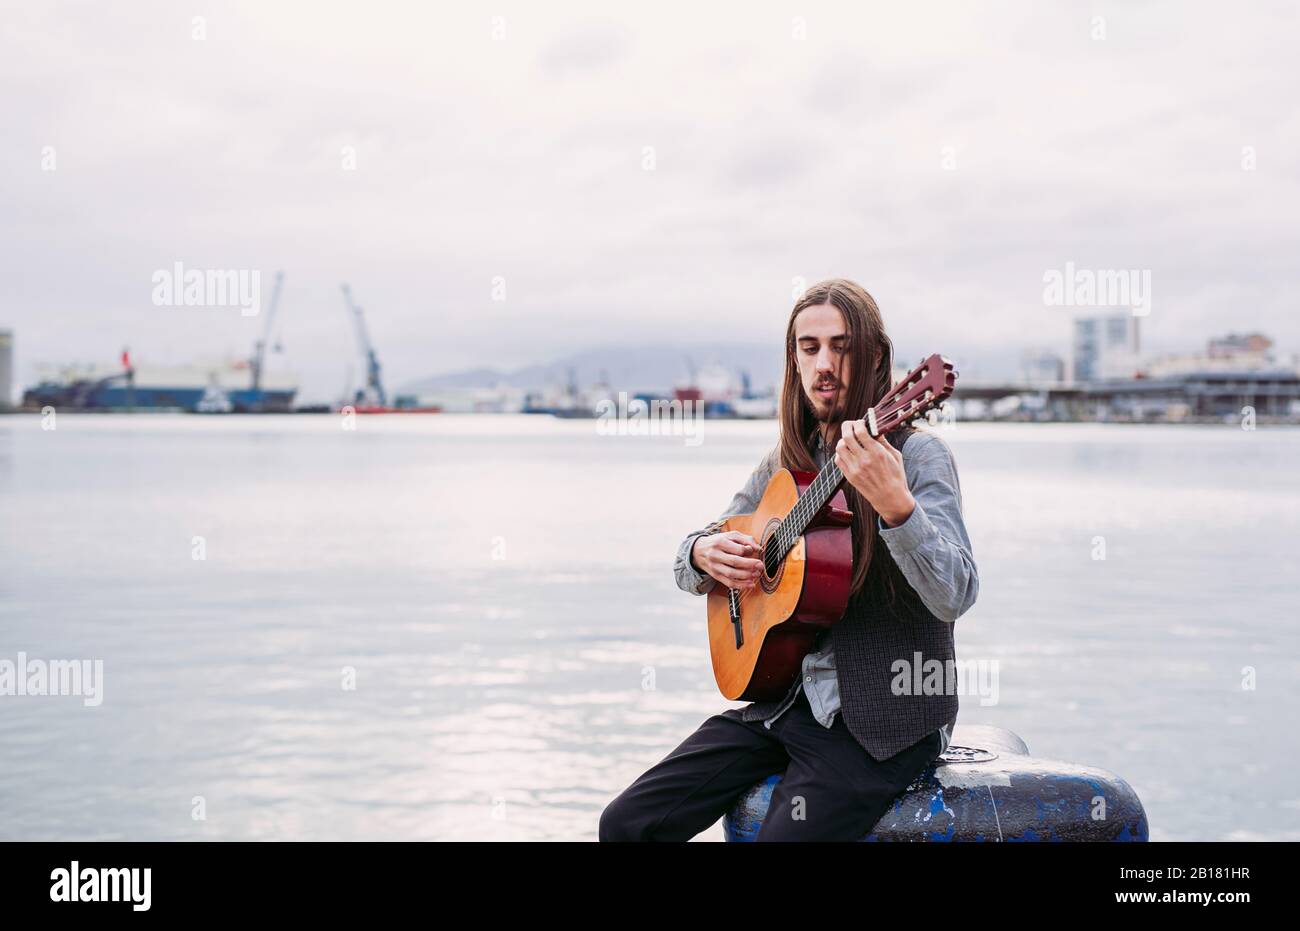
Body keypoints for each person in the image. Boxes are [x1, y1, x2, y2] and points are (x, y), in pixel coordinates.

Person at [599, 278, 979, 841]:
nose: (824, 364)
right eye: (809, 348)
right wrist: (704, 554)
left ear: (875, 357)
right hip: (781, 705)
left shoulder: (917, 455)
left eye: (842, 346)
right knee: (627, 825)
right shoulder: (788, 459)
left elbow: (957, 592)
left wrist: (898, 508)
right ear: (794, 361)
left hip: (880, 721)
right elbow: (701, 547)